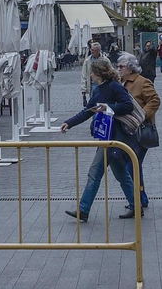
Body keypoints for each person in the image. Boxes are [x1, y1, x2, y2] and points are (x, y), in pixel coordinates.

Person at [61, 56, 142, 221]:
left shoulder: (114, 87)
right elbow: (88, 111)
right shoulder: (99, 90)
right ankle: (136, 206)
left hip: (115, 138)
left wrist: (108, 107)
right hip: (108, 138)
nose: (90, 76)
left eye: (92, 73)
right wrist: (69, 123)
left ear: (98, 74)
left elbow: (127, 105)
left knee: (94, 173)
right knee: (121, 175)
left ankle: (83, 209)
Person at [117, 52, 159, 217]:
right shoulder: (122, 83)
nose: (118, 69)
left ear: (130, 67)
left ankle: (136, 201)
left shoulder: (142, 82)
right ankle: (140, 198)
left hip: (140, 131)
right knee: (133, 165)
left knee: (131, 165)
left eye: (121, 66)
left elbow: (155, 100)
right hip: (128, 131)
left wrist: (142, 115)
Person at [80, 40, 103, 105]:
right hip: (92, 85)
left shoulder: (104, 60)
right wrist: (83, 89)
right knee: (94, 104)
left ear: (99, 51)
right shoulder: (87, 61)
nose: (92, 52)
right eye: (91, 50)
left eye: (94, 50)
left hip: (102, 85)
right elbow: (84, 74)